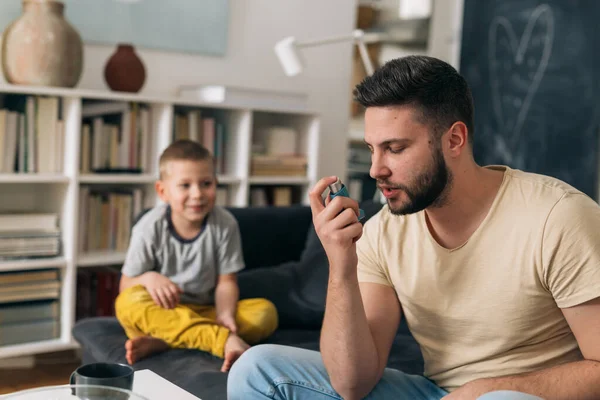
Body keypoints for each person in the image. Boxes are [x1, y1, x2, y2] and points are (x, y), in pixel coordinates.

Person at [227, 55, 600, 399]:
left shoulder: (558, 217)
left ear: (454, 139)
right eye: (372, 149)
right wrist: (342, 266)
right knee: (257, 369)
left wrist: (485, 390)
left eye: (395, 148)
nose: (376, 169)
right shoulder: (382, 233)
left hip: (521, 397)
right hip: (435, 393)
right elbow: (351, 382)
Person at [115, 139, 278, 373]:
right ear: (163, 191)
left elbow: (226, 282)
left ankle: (166, 341)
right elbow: (125, 286)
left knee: (264, 313)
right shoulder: (149, 227)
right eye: (185, 185)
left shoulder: (225, 224)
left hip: (205, 310)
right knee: (128, 304)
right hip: (165, 312)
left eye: (206, 183)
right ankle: (221, 341)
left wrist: (225, 314)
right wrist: (148, 278)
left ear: (216, 184)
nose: (197, 194)